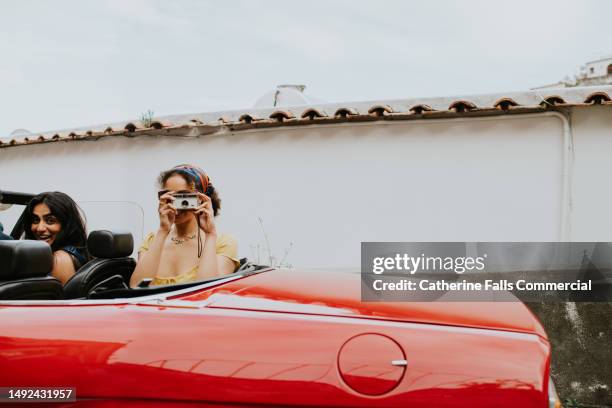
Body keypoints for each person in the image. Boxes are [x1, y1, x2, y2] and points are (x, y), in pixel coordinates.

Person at [130, 164, 239, 287]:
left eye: (184, 198)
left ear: (202, 199)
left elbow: (208, 291)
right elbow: (136, 287)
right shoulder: (152, 241)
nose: (175, 205)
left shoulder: (221, 242)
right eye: (170, 197)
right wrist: (163, 230)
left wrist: (210, 235)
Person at [23, 192, 89, 284]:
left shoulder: (60, 260)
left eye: (50, 220)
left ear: (66, 224)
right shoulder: (76, 253)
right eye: (36, 220)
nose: (40, 228)